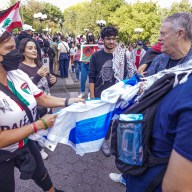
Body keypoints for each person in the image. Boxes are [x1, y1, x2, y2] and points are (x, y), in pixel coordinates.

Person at [0, 28, 84, 192]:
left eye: (15, 48)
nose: (16, 53)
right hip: (3, 155)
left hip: (26, 141)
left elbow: (42, 98)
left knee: (43, 176)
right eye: (9, 49)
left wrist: (68, 101)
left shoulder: (17, 74)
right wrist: (37, 125)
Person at [125, 12, 192, 192]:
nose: (159, 38)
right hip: (146, 143)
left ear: (180, 34)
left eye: (163, 33)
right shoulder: (159, 60)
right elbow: (144, 91)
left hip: (171, 155)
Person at [89, 26, 136, 157]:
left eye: (113, 39)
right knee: (102, 120)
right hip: (100, 95)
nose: (111, 41)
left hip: (118, 95)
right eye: (108, 39)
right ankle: (101, 139)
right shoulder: (96, 56)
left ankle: (107, 142)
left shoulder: (123, 56)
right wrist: (92, 96)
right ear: (102, 40)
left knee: (114, 120)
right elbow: (91, 76)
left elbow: (129, 74)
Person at [78, 32, 96, 98]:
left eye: (91, 35)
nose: (90, 37)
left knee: (92, 79)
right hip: (85, 64)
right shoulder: (85, 45)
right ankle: (82, 92)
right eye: (89, 36)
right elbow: (82, 55)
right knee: (83, 78)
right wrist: (83, 60)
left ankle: (90, 92)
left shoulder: (95, 45)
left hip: (93, 65)